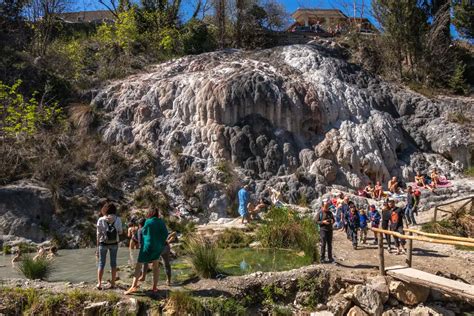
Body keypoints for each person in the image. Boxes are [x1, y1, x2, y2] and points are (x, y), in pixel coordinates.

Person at [124, 208, 168, 295]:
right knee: (155, 267)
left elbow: (143, 232)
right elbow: (166, 234)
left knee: (138, 265)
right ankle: (155, 287)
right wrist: (160, 243)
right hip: (158, 247)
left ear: (150, 214)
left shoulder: (148, 221)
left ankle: (133, 286)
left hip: (147, 247)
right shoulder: (161, 222)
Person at [96, 202, 123, 290]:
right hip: (114, 243)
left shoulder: (101, 219)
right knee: (113, 263)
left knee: (101, 263)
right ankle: (113, 283)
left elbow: (98, 234)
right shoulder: (118, 219)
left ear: (106, 210)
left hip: (103, 243)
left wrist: (97, 247)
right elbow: (120, 232)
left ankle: (99, 283)